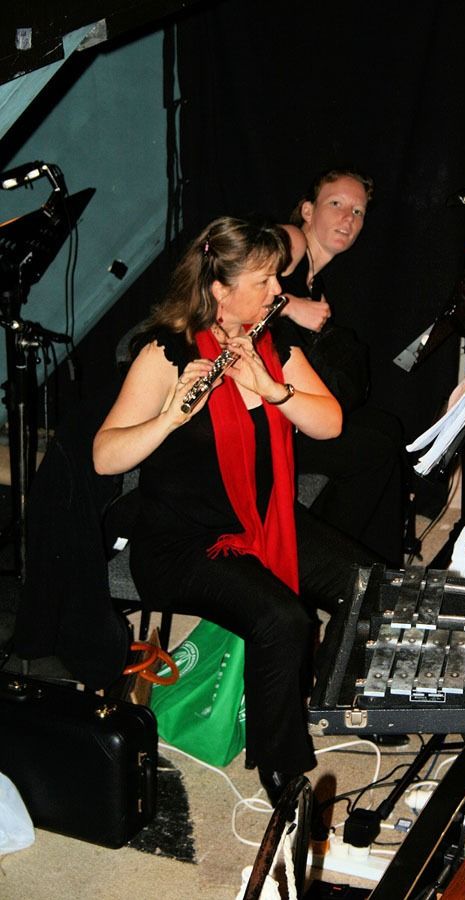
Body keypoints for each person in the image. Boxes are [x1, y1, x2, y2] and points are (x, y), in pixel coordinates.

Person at [93, 216, 373, 805]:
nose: (279, 291)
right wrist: (169, 417)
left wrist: (273, 389)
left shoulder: (271, 344)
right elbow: (104, 457)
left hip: (260, 521)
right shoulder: (165, 352)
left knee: (367, 582)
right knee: (283, 619)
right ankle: (281, 769)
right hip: (182, 544)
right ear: (220, 289)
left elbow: (330, 423)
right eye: (265, 280)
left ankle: (322, 699)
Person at [275, 168, 410, 567]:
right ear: (307, 210)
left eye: (358, 211)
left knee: (386, 429)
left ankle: (380, 570)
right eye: (336, 203)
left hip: (289, 411)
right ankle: (318, 565)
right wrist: (291, 306)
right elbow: (226, 285)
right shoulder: (292, 240)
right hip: (255, 416)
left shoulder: (315, 281)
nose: (348, 218)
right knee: (373, 451)